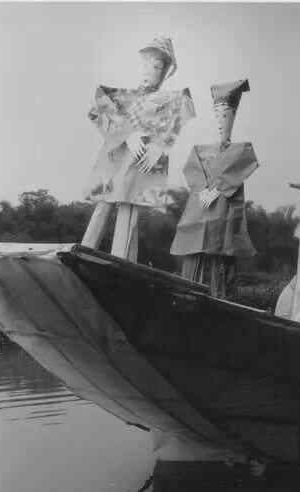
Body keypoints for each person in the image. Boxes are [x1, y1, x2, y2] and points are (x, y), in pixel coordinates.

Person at [82, 36, 195, 260]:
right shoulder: (124, 97)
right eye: (145, 64)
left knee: (128, 211)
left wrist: (161, 145)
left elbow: (186, 106)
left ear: (165, 72)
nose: (148, 71)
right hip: (115, 162)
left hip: (140, 165)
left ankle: (120, 263)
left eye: (156, 66)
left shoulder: (168, 100)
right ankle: (83, 254)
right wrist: (127, 134)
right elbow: (96, 108)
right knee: (102, 207)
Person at [170, 80, 258, 298]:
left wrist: (217, 189)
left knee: (221, 259)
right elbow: (191, 169)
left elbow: (243, 167)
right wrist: (202, 189)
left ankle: (221, 298)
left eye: (226, 115)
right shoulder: (200, 150)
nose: (221, 120)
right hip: (198, 212)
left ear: (233, 117)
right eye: (218, 115)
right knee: (193, 259)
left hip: (223, 215)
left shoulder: (242, 150)